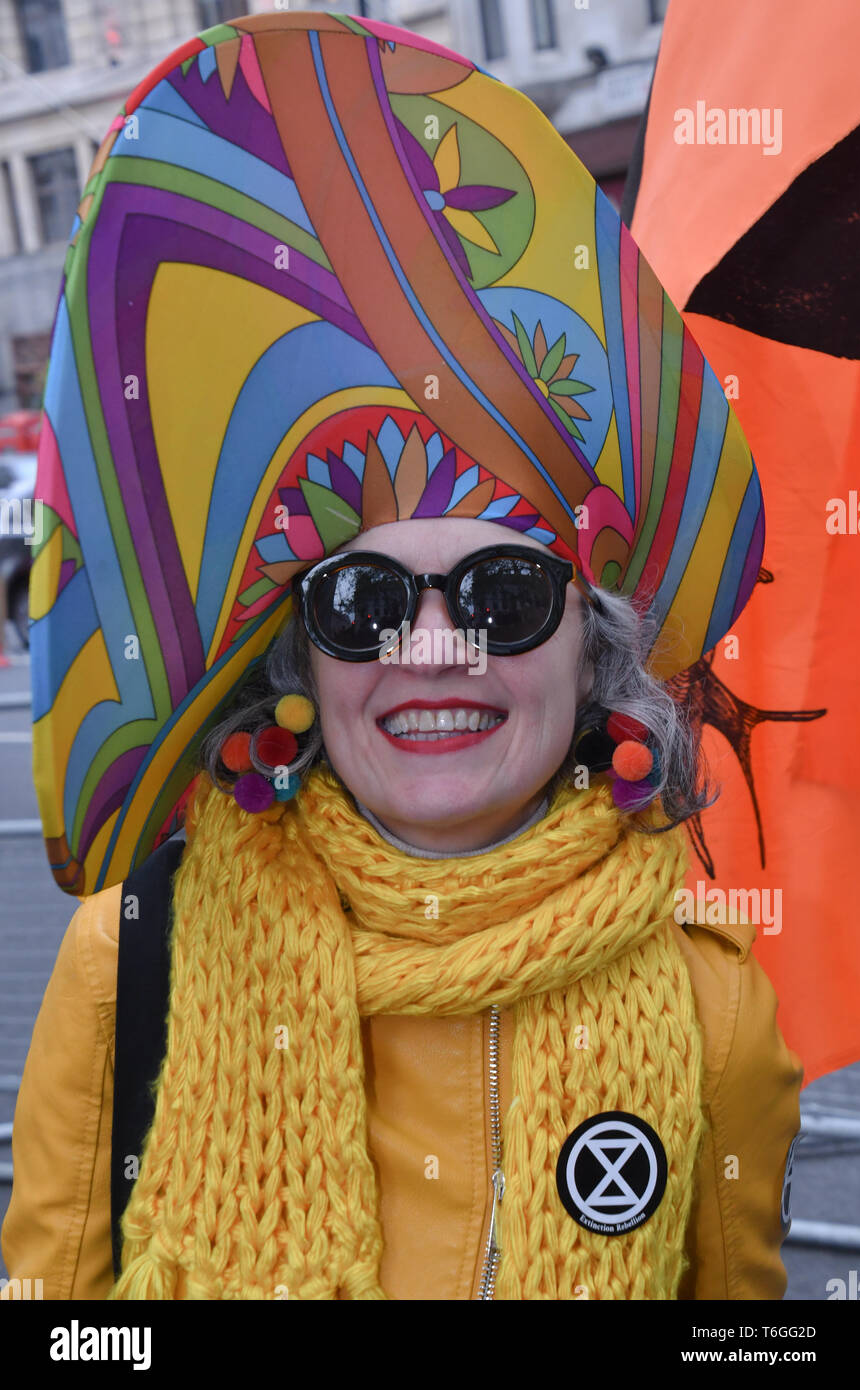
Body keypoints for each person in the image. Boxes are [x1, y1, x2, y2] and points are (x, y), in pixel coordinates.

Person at [1, 11, 801, 1300]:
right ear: (302, 665)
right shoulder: (126, 966)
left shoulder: (718, 1023)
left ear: (594, 654)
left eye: (507, 591)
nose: (435, 648)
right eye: (365, 600)